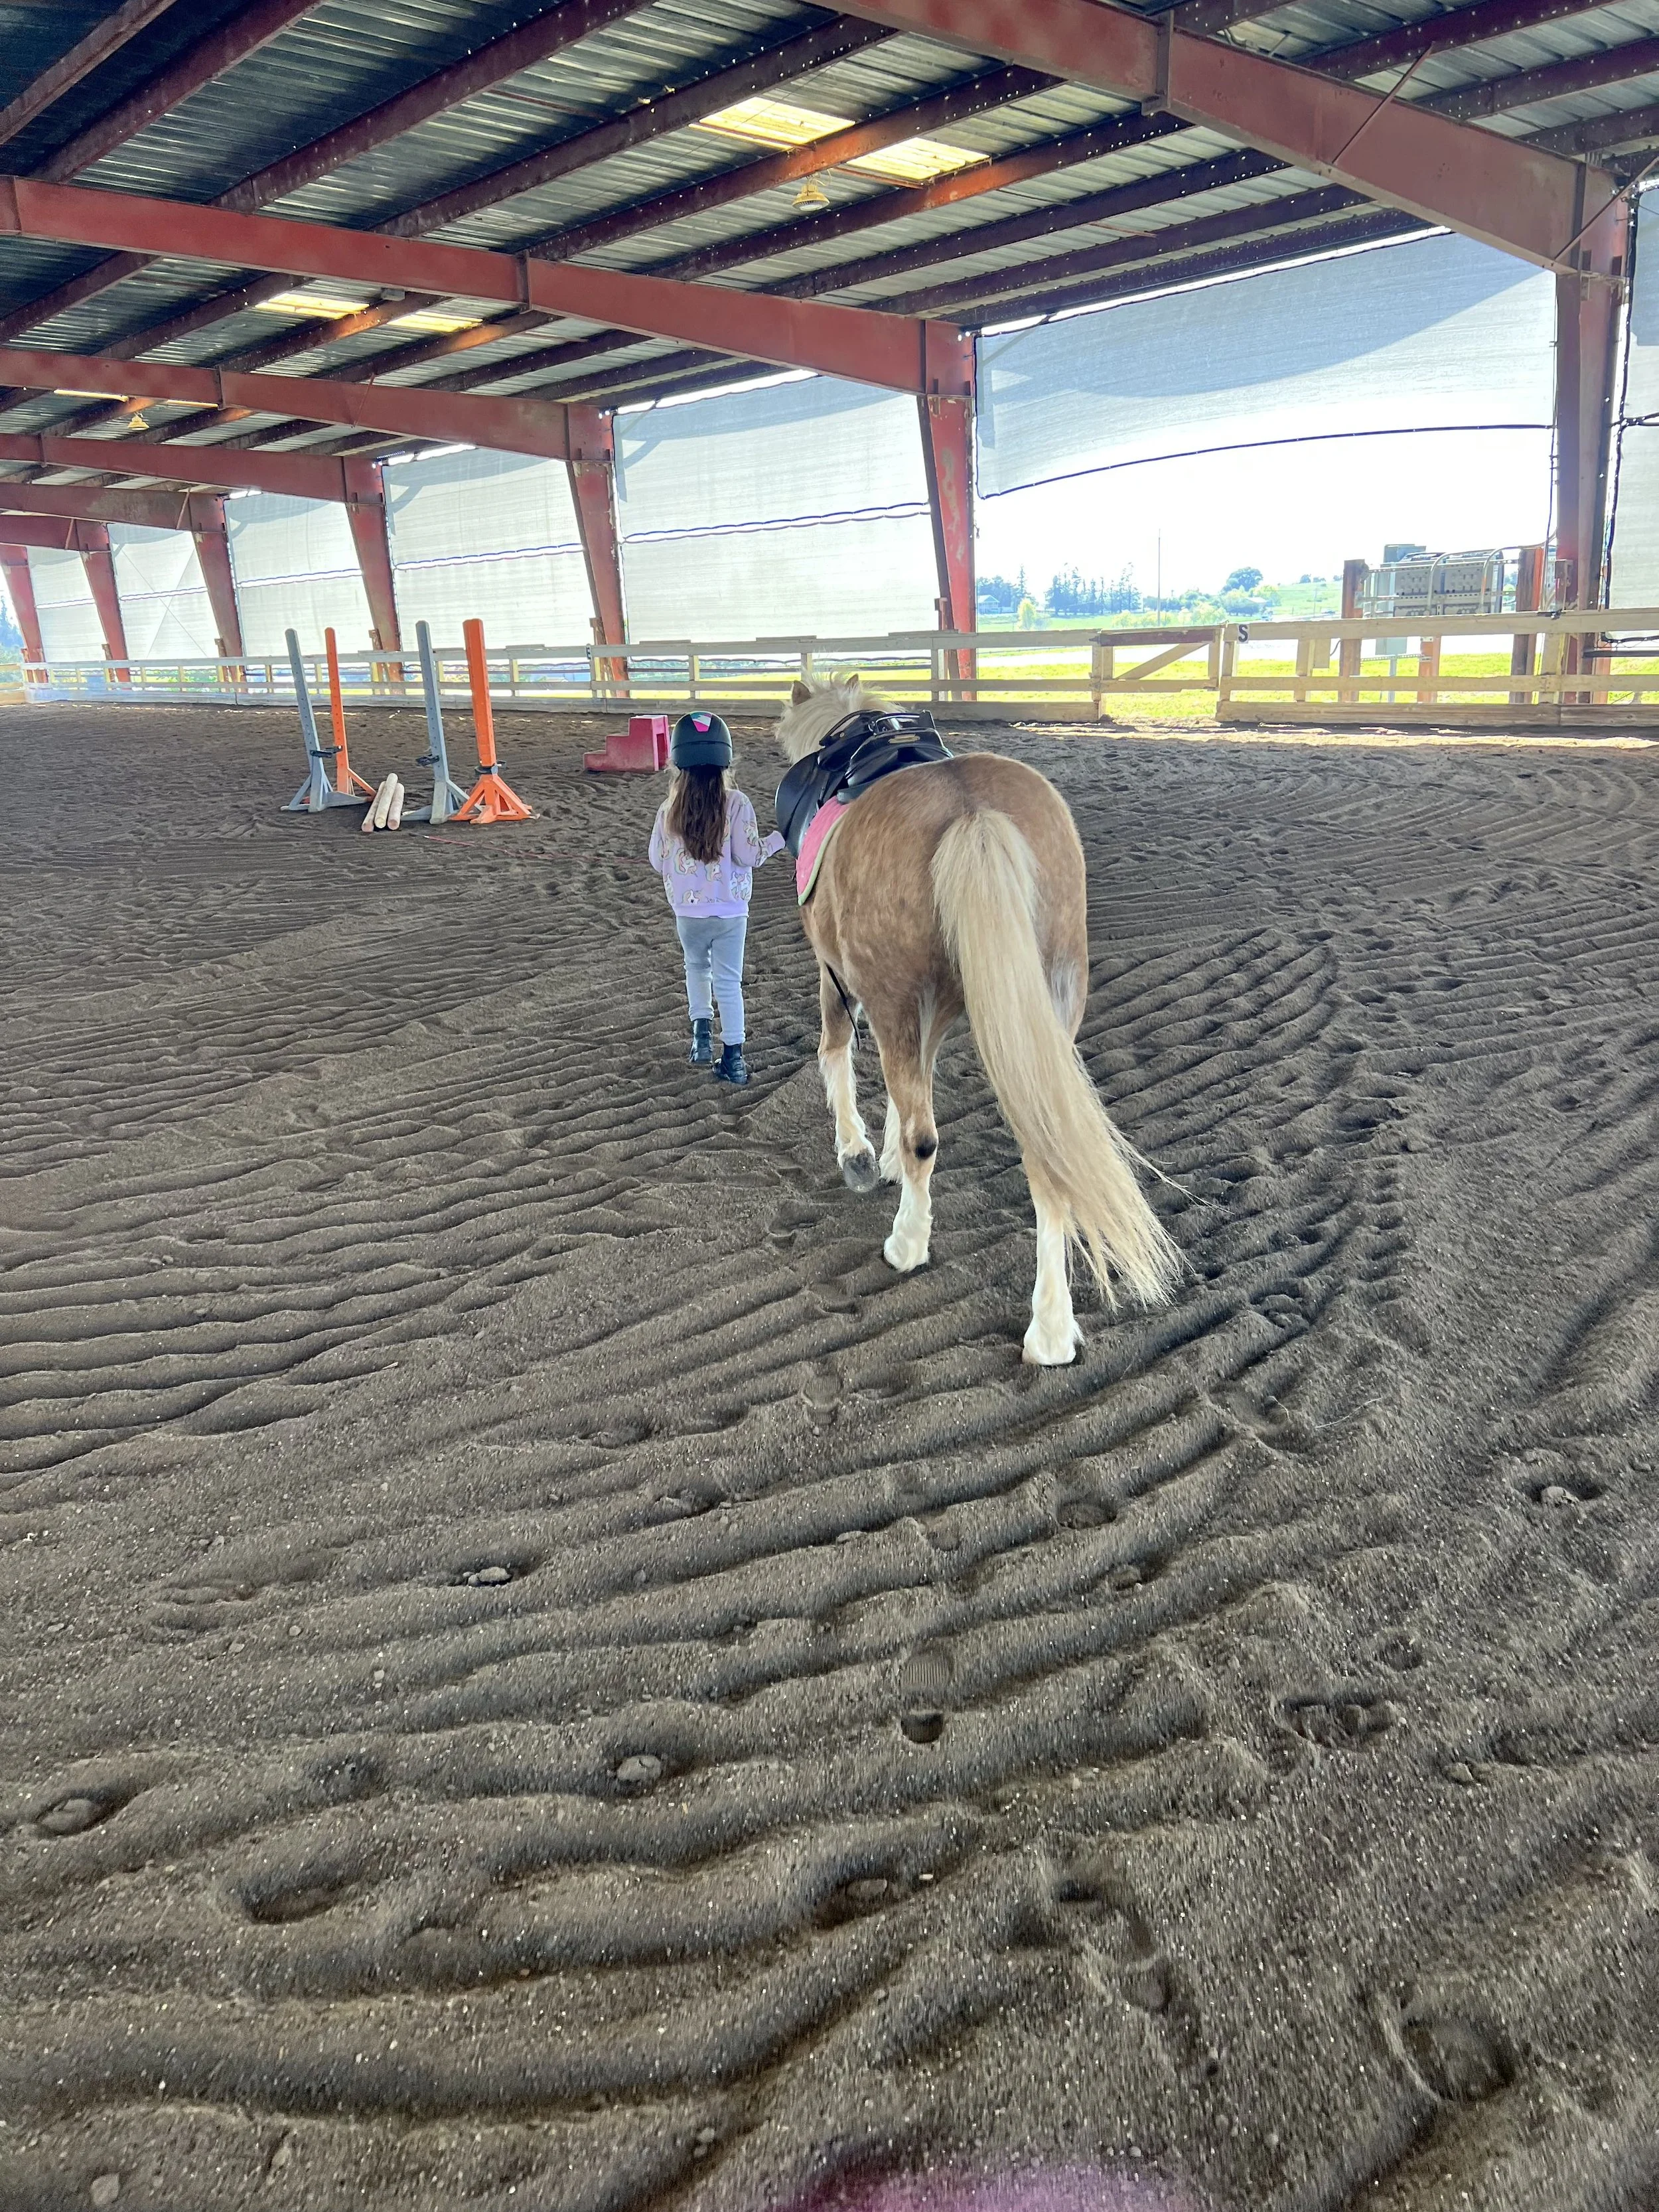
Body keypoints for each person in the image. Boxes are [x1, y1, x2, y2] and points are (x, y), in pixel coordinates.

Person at [648, 711, 785, 1086]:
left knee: (696, 968)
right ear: (726, 759)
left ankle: (701, 1039)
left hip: (688, 913)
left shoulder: (668, 809)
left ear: (678, 762)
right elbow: (748, 855)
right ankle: (735, 1060)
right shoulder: (738, 803)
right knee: (729, 982)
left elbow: (656, 860)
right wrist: (781, 839)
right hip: (731, 912)